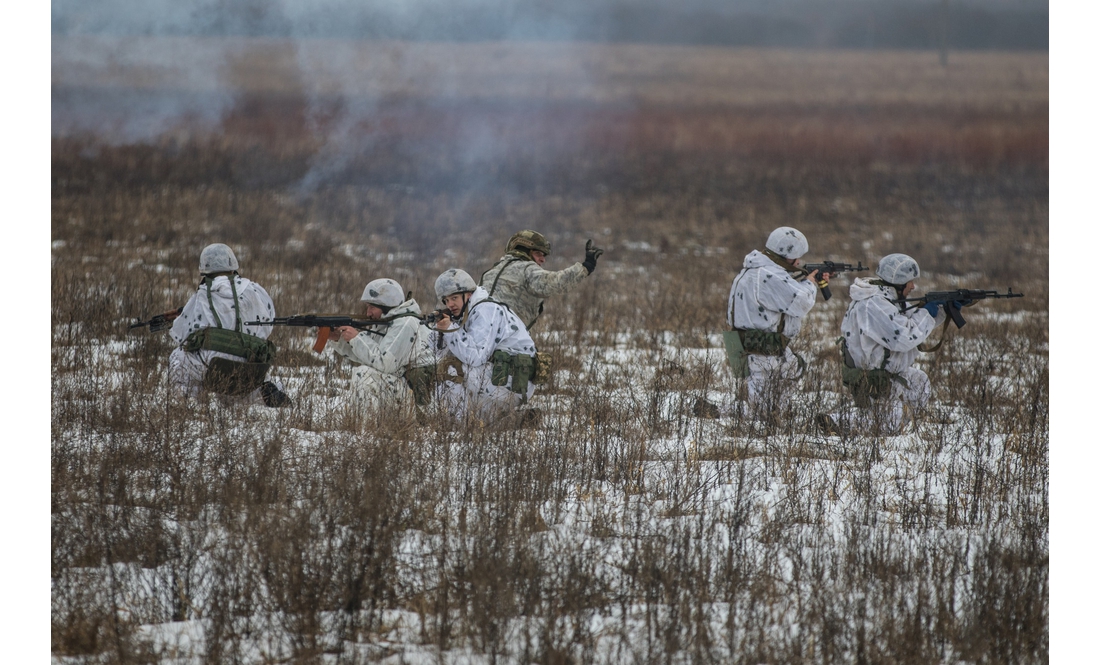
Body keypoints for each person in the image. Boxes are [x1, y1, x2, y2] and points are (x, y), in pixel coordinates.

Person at [816, 253, 949, 435]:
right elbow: (904, 337)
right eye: (910, 281)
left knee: (919, 381)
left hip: (886, 376)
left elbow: (909, 325)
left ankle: (886, 418)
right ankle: (838, 422)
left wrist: (940, 312)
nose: (913, 286)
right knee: (891, 422)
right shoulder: (873, 304)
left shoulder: (885, 299)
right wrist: (927, 312)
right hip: (872, 380)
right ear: (898, 281)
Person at [712, 226, 830, 418]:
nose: (798, 261)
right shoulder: (769, 275)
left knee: (794, 368)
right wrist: (810, 282)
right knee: (758, 412)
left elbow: (782, 293)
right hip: (762, 349)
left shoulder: (755, 270)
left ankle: (775, 410)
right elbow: (800, 302)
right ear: (785, 255)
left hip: (750, 345)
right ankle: (719, 413)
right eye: (795, 257)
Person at [168, 243, 289, 407]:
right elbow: (268, 323)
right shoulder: (255, 290)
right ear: (233, 264)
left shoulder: (202, 294)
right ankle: (262, 394)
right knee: (244, 393)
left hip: (213, 369)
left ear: (204, 269)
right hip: (251, 371)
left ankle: (187, 402)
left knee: (178, 355)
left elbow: (181, 335)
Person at [431, 268, 539, 425]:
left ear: (468, 294)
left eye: (454, 298)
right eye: (446, 301)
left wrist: (449, 329)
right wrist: (438, 330)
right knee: (443, 367)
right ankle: (510, 420)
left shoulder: (486, 310)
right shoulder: (468, 311)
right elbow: (438, 352)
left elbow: (475, 356)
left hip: (515, 381)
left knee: (452, 369)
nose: (450, 304)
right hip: (500, 376)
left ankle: (457, 425)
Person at [327, 278, 436, 417]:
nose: (368, 313)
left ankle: (364, 431)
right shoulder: (388, 322)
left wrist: (357, 338)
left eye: (372, 307)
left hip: (418, 403)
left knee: (364, 375)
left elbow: (385, 363)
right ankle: (366, 427)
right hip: (404, 390)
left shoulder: (405, 324)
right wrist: (339, 340)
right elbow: (370, 357)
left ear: (386, 305)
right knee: (364, 372)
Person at [478, 230, 604, 330]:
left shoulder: (489, 273)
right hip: (506, 345)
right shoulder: (527, 269)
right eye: (538, 254)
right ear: (524, 250)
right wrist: (585, 267)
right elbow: (555, 283)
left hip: (479, 342)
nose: (543, 260)